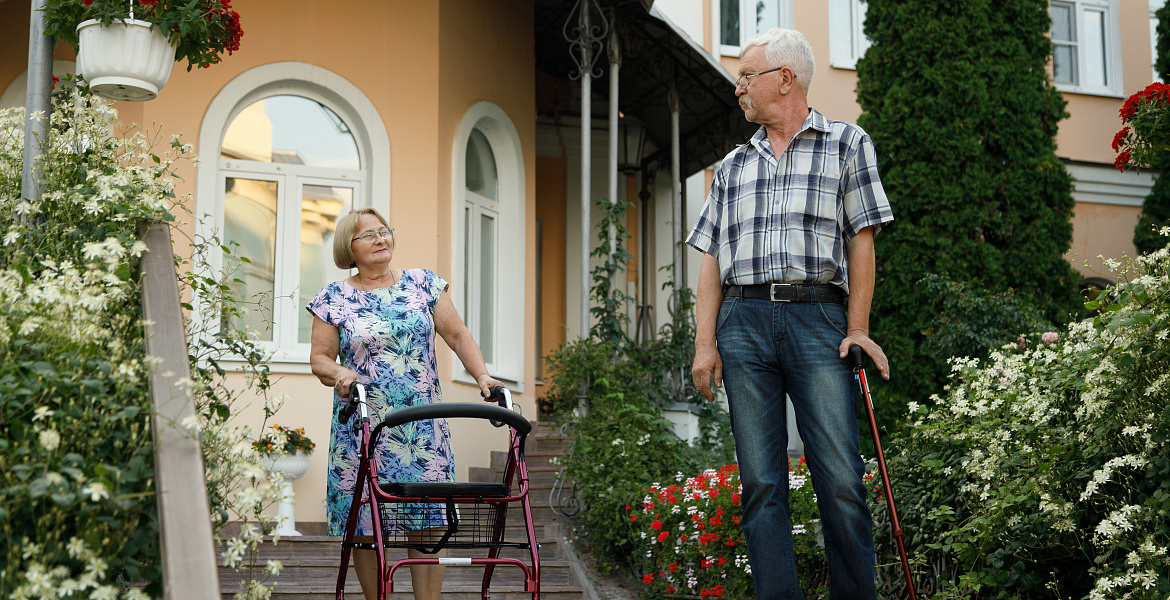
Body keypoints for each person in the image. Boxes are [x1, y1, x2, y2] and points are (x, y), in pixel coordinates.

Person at [686, 28, 894, 600]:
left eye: (745, 77)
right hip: (744, 323)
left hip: (818, 321)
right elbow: (711, 261)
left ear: (785, 78)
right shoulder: (730, 166)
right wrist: (705, 343)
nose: (738, 90)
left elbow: (862, 242)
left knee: (842, 481)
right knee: (760, 484)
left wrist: (858, 328)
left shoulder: (848, 144)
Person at [308, 207, 503, 600]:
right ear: (350, 246)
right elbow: (319, 358)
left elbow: (458, 334)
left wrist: (482, 375)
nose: (382, 239)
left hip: (422, 426)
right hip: (362, 428)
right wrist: (340, 374)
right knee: (364, 522)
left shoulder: (422, 284)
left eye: (385, 231)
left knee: (428, 518)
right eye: (370, 235)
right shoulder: (334, 296)